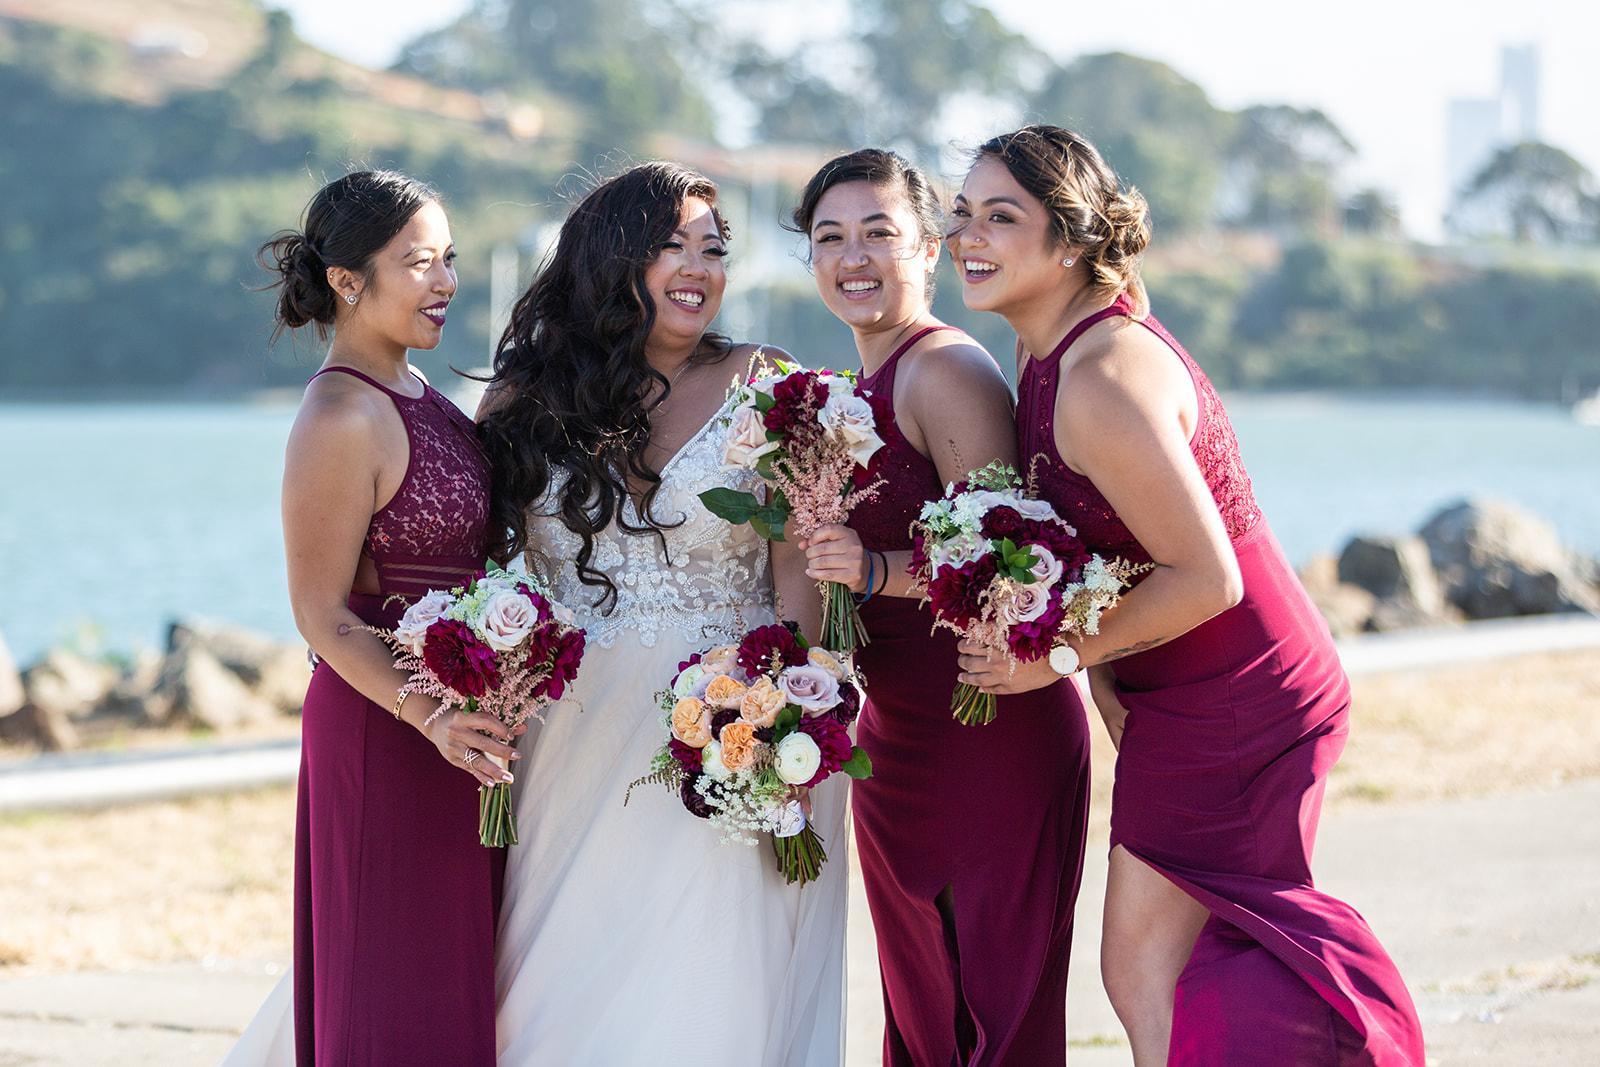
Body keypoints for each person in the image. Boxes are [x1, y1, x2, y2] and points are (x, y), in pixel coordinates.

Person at [950, 124, 1425, 1066]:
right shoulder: (1052, 349)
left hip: (1241, 693)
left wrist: (1056, 658)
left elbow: (1210, 576)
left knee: (1143, 966)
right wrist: (1104, 672)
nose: (968, 235)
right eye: (962, 211)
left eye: (1001, 216)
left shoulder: (1100, 376)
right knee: (1185, 962)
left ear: (1071, 241)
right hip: (1187, 691)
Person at [476, 161, 847, 1065]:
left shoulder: (768, 382)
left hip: (730, 729)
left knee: (710, 980)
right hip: (571, 731)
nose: (698, 267)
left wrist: (787, 718)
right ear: (611, 259)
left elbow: (798, 563)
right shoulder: (524, 398)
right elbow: (479, 567)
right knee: (559, 974)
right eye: (670, 245)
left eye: (713, 249)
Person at [794, 148, 1091, 1065]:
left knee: (990, 1016)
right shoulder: (850, 390)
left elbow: (1013, 563)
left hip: (986, 728)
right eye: (830, 237)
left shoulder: (944, 371)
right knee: (926, 1020)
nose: (853, 257)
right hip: (898, 746)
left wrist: (873, 570)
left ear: (930, 247)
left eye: (878, 233)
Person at [228, 170, 512, 1065]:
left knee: (454, 990)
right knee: (387, 997)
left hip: (461, 735)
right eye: (419, 262)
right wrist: (433, 718)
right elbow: (320, 613)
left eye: (449, 259)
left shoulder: (424, 394)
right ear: (348, 279)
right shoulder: (340, 414)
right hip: (386, 732)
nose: (446, 282)